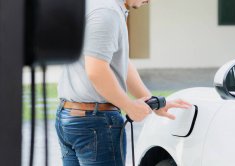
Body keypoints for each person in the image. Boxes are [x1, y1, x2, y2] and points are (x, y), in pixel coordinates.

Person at [55, 0, 192, 165]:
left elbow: (120, 63)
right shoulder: (108, 12)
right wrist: (129, 106)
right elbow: (97, 71)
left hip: (69, 117)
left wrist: (153, 101)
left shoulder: (96, 5)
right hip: (95, 124)